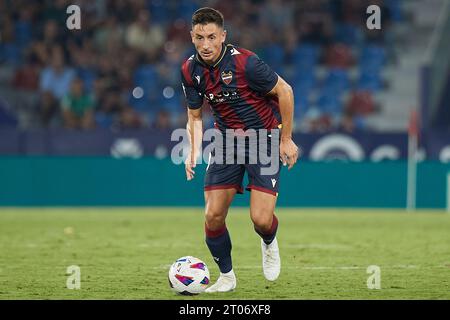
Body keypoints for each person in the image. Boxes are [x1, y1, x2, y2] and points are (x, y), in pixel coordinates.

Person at [181, 7, 299, 293]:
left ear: (223, 36)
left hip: (264, 139)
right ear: (192, 37)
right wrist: (192, 149)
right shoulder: (189, 70)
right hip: (226, 142)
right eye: (200, 38)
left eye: (211, 37)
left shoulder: (247, 64)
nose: (206, 44)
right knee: (212, 215)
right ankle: (227, 277)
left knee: (260, 220)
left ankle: (269, 242)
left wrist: (286, 139)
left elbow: (286, 91)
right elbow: (195, 117)